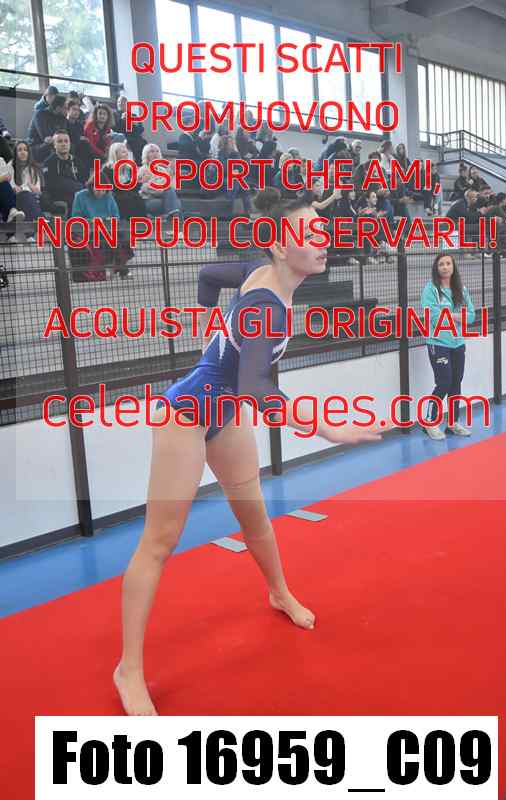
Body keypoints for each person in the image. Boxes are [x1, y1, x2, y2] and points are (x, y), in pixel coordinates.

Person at [113, 187, 390, 716]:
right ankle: (128, 669)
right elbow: (258, 388)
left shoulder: (255, 273)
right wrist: (330, 430)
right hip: (187, 415)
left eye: (322, 229)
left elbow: (207, 276)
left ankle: (279, 592)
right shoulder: (266, 306)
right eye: (310, 233)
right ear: (281, 247)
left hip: (226, 411)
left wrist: (208, 323)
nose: (323, 240)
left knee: (255, 517)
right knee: (159, 543)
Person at [421, 252, 475, 440]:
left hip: (458, 343)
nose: (445, 267)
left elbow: (471, 316)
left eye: (448, 263)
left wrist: (451, 315)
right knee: (444, 382)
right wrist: (458, 316)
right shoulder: (430, 289)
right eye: (441, 264)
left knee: (456, 382)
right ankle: (429, 422)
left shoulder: (461, 289)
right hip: (438, 343)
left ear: (453, 267)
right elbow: (434, 318)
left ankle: (452, 423)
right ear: (436, 268)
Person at [70, 172, 133, 280]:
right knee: (109, 239)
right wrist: (92, 221)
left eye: (104, 190)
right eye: (98, 190)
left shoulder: (109, 196)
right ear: (91, 187)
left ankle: (121, 268)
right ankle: (122, 269)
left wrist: (109, 220)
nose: (101, 192)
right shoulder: (80, 196)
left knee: (120, 237)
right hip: (88, 230)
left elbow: (116, 216)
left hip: (106, 229)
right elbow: (76, 218)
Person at [41, 130, 83, 214]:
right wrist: (76, 186)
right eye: (60, 141)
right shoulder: (48, 162)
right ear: (54, 145)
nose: (64, 144)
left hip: (76, 193)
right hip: (57, 196)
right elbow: (53, 184)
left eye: (66, 141)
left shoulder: (77, 161)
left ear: (70, 144)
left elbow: (83, 181)